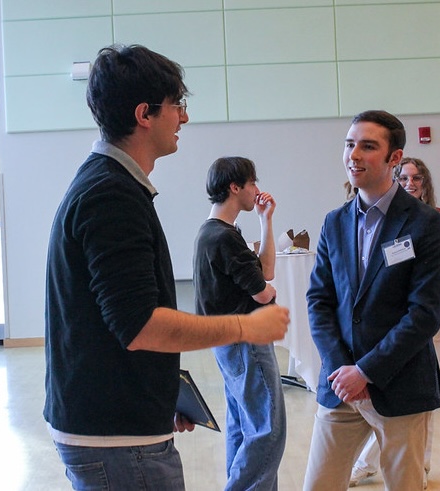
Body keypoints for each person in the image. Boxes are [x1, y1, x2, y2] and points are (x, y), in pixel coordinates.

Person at [43, 44, 289, 491]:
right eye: (178, 106)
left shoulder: (112, 186)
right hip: (114, 437)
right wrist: (246, 328)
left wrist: (160, 392)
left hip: (120, 426)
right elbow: (141, 327)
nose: (185, 118)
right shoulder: (110, 195)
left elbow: (115, 319)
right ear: (145, 114)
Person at [303, 110, 440, 491]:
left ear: (394, 158)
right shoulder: (334, 222)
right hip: (340, 387)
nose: (354, 155)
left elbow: (425, 312)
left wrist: (365, 372)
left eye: (368, 146)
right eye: (350, 144)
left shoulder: (424, 222)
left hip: (399, 384)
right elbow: (319, 301)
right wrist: (343, 371)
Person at [349, 157, 440, 488]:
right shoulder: (385, 220)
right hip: (384, 328)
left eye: (417, 178)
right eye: (405, 177)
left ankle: (420, 463)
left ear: (426, 183)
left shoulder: (439, 220)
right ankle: (376, 461)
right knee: (381, 401)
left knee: (421, 401)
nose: (411, 182)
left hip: (421, 323)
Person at [193, 156, 286, 490]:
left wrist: (266, 221)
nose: (257, 190)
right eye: (252, 183)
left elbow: (267, 272)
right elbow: (264, 291)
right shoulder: (224, 238)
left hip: (228, 343)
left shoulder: (213, 232)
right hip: (246, 340)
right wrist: (268, 292)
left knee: (243, 424)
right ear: (235, 187)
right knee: (267, 429)